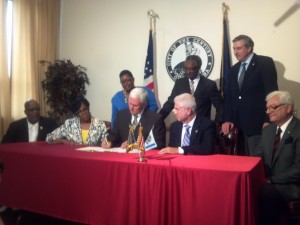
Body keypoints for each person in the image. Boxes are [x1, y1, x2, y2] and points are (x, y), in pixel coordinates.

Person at [222, 34, 278, 155]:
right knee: (241, 163)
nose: (235, 52)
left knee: (257, 161)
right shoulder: (234, 69)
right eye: (234, 49)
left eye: (239, 48)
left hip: (258, 125)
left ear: (249, 48)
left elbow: (272, 94)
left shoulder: (264, 63)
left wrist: (269, 119)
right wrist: (227, 119)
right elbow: (229, 97)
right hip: (238, 127)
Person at [253, 91, 300, 225]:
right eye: (267, 108)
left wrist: (271, 180)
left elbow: (298, 169)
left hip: (292, 186)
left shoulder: (298, 129)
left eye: (273, 107)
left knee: (265, 191)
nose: (268, 111)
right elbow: (257, 157)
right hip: (269, 183)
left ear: (288, 107)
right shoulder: (268, 130)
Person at [159, 55, 223, 125]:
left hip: (202, 127)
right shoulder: (179, 83)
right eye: (186, 69)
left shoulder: (209, 85)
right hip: (183, 126)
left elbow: (220, 106)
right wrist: (158, 118)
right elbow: (170, 103)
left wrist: (217, 123)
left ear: (198, 68)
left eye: (191, 69)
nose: (188, 71)